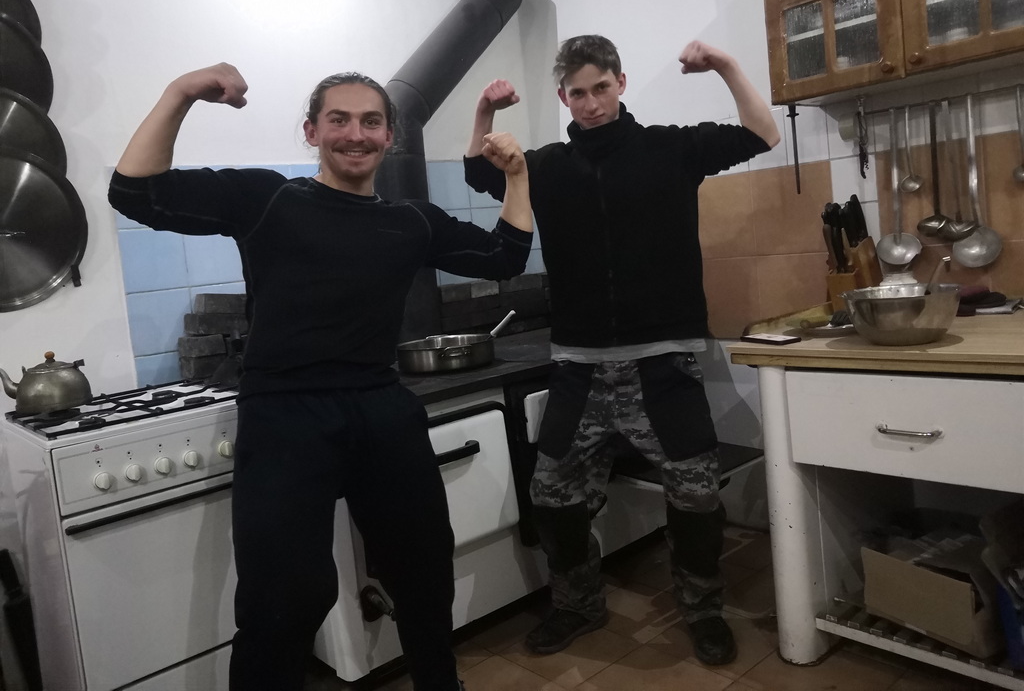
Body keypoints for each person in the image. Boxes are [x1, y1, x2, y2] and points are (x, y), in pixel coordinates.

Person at [109, 62, 533, 691]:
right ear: (311, 131)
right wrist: (181, 91)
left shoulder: (411, 221)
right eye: (339, 120)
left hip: (380, 406)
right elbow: (134, 193)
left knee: (423, 573)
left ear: (390, 136)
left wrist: (517, 175)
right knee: (285, 599)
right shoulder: (267, 199)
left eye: (371, 122)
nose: (355, 134)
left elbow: (505, 256)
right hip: (284, 415)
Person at [462, 37, 780, 666]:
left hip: (663, 363)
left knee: (696, 496)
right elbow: (478, 172)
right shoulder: (545, 166)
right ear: (564, 98)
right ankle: (578, 604)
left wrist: (724, 65)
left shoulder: (670, 148)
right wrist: (484, 112)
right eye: (578, 93)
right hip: (578, 367)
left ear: (621, 83)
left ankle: (702, 609)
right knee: (552, 495)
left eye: (601, 88)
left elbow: (762, 134)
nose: (591, 103)